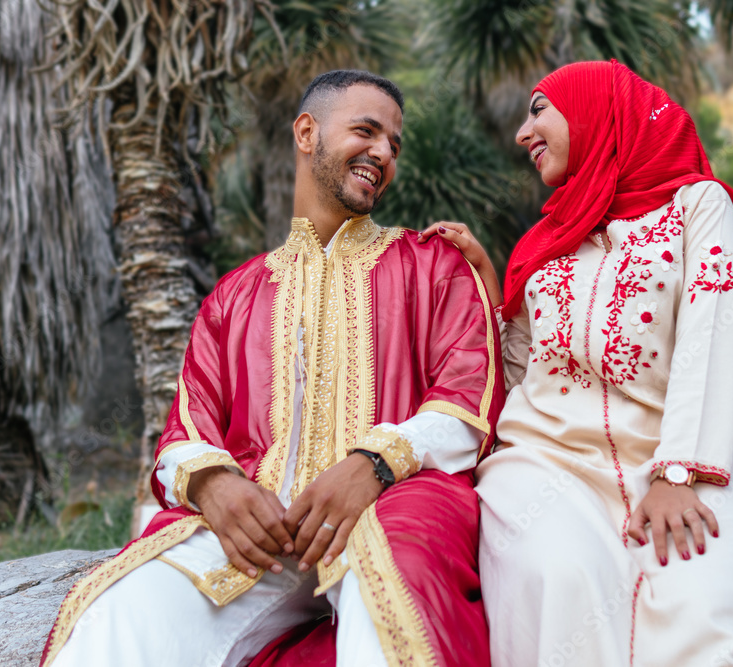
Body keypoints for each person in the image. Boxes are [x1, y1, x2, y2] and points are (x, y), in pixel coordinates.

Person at [40, 70, 503, 667]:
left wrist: (373, 465)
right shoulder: (235, 295)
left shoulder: (435, 264)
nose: (384, 153)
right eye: (366, 130)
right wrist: (215, 484)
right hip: (257, 538)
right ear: (306, 132)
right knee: (119, 616)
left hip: (391, 512)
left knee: (390, 602)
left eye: (395, 143)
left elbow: (470, 398)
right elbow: (186, 429)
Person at [421, 60, 733, 666]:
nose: (523, 134)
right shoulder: (546, 240)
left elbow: (713, 328)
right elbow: (521, 372)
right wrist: (487, 284)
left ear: (594, 110)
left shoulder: (696, 206)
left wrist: (678, 473)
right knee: (556, 581)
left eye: (539, 109)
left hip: (681, 455)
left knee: (711, 614)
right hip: (547, 463)